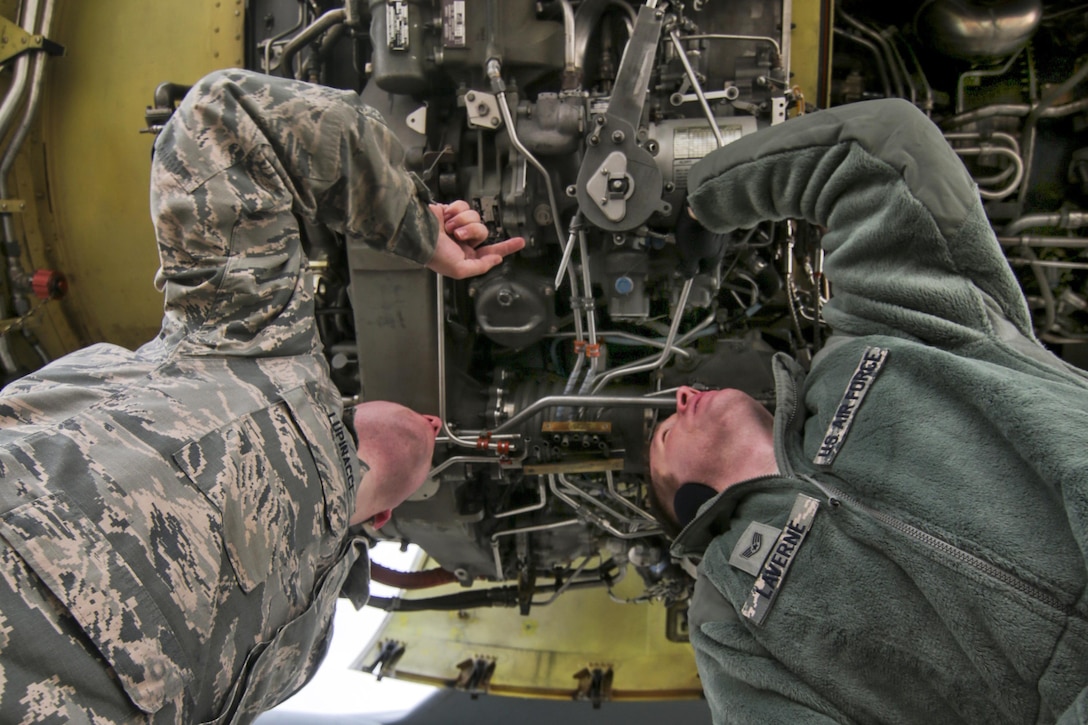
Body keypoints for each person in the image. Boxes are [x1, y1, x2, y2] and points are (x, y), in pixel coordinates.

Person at [0, 68, 523, 724]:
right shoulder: (265, 343)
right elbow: (228, 122)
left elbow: (221, 126)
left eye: (432, 428)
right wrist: (413, 227)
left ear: (380, 520)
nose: (434, 420)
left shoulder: (304, 644)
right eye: (434, 422)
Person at [653, 99, 1088, 724]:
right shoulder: (728, 617)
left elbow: (882, 153)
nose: (683, 394)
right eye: (668, 431)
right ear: (692, 505)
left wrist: (702, 201)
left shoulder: (877, 335)